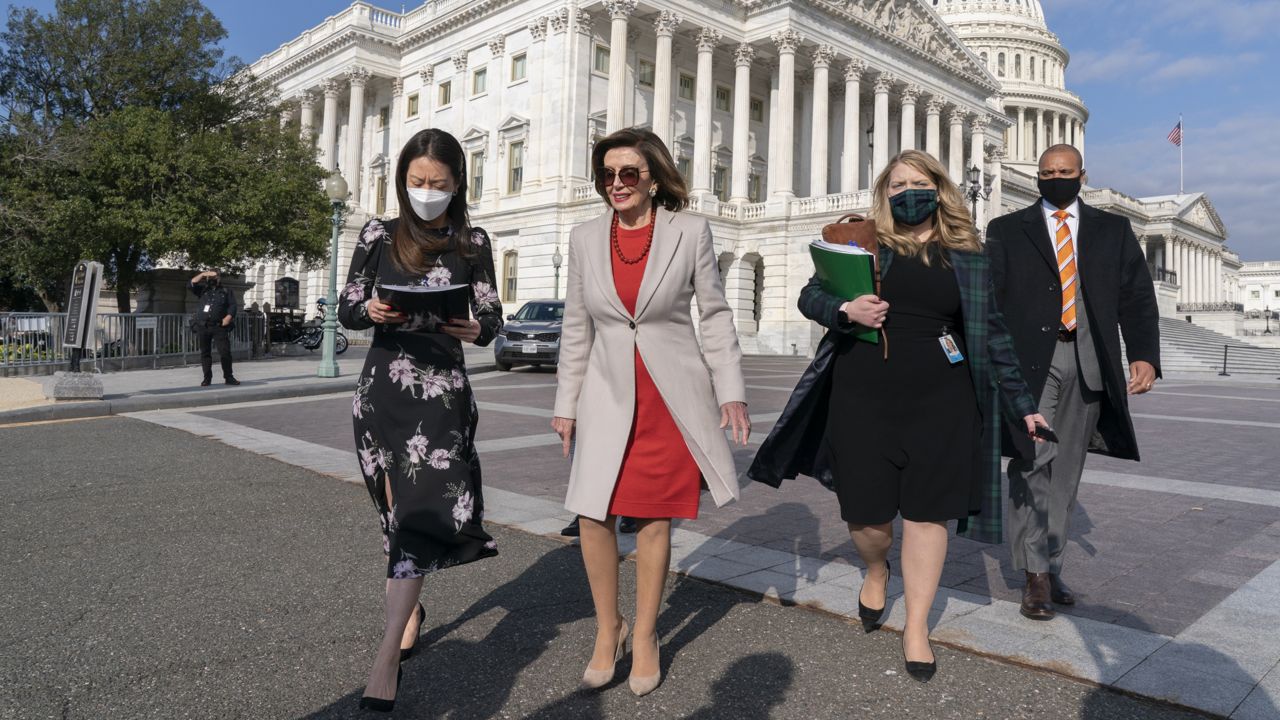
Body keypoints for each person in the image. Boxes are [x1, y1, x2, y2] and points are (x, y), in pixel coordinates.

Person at [748, 149, 1048, 682]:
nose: (909, 192)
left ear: (940, 188)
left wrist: (1023, 406)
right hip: (862, 392)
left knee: (928, 515)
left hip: (945, 398)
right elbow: (809, 295)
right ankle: (875, 566)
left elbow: (995, 335)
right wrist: (844, 310)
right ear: (884, 193)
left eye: (919, 182)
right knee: (867, 518)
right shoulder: (863, 243)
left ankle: (916, 628)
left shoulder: (969, 255)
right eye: (897, 184)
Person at [551, 128, 750, 697]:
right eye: (608, 175)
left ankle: (645, 633)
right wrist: (565, 403)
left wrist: (730, 389)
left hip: (668, 393)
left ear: (654, 178)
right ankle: (606, 628)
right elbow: (575, 326)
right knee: (593, 514)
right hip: (606, 392)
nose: (617, 184)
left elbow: (713, 315)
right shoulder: (586, 237)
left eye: (629, 174)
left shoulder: (689, 232)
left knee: (655, 516)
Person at [336, 128, 503, 712]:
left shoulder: (472, 240)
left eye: (437, 183)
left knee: (417, 511)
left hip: (442, 395)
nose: (426, 192)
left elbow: (491, 313)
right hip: (384, 387)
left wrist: (477, 328)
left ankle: (386, 653)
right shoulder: (379, 233)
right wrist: (372, 308)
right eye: (416, 181)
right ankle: (409, 612)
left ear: (457, 184)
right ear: (403, 179)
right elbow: (348, 305)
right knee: (393, 512)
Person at [986, 144, 1160, 621]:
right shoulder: (1006, 229)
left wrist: (1144, 354)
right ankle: (1034, 573)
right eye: (1046, 173)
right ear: (1037, 176)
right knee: (1031, 461)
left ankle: (1051, 560)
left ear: (1082, 175)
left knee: (1065, 471)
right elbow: (991, 302)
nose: (1054, 178)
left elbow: (1137, 297)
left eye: (1063, 172)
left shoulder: (1112, 229)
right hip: (1030, 363)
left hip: (1087, 359)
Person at [189, 270, 239, 386]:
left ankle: (229, 377)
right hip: (203, 326)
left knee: (225, 352)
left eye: (215, 277)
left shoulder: (226, 291)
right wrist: (203, 274)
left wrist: (228, 317)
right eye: (210, 277)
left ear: (219, 278)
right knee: (205, 353)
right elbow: (191, 284)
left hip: (219, 327)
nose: (212, 279)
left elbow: (233, 305)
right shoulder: (202, 290)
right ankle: (207, 378)